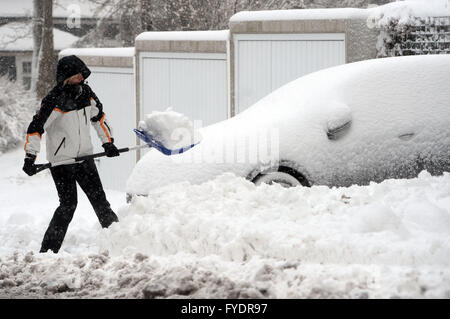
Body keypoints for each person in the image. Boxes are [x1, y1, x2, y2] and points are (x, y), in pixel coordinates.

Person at [22, 55, 120, 254]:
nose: (80, 78)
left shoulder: (86, 92)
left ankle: (120, 239)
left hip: (84, 157)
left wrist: (108, 143)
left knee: (100, 200)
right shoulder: (54, 99)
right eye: (76, 75)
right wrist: (30, 157)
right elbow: (36, 128)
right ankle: (48, 251)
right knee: (68, 205)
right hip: (62, 161)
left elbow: (99, 118)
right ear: (66, 77)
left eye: (82, 74)